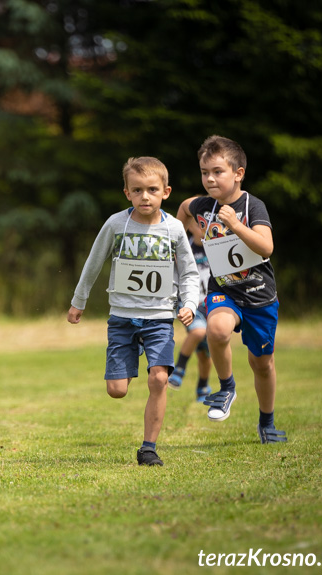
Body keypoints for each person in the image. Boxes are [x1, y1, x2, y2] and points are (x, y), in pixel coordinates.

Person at [68, 157, 200, 466]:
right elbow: (94, 261)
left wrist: (190, 304)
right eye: (137, 190)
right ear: (126, 192)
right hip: (122, 318)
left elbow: (190, 273)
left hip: (159, 319)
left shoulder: (174, 228)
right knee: (116, 391)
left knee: (158, 380)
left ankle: (148, 448)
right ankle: (132, 361)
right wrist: (79, 301)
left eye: (152, 190)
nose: (145, 196)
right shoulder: (116, 224)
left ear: (165, 192)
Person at [178, 135, 286, 444]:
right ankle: (226, 388)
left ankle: (267, 422)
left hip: (259, 295)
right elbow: (184, 210)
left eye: (217, 171)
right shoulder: (202, 205)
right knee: (217, 329)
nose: (209, 178)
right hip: (223, 289)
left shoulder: (253, 205)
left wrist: (237, 226)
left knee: (261, 364)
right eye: (204, 172)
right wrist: (187, 236)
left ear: (238, 173)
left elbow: (267, 247)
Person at [168, 203, 213, 402]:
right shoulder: (184, 246)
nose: (204, 228)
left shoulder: (216, 248)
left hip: (212, 305)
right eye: (200, 224)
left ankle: (203, 386)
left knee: (205, 353)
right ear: (191, 226)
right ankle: (179, 369)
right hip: (190, 303)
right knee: (198, 331)